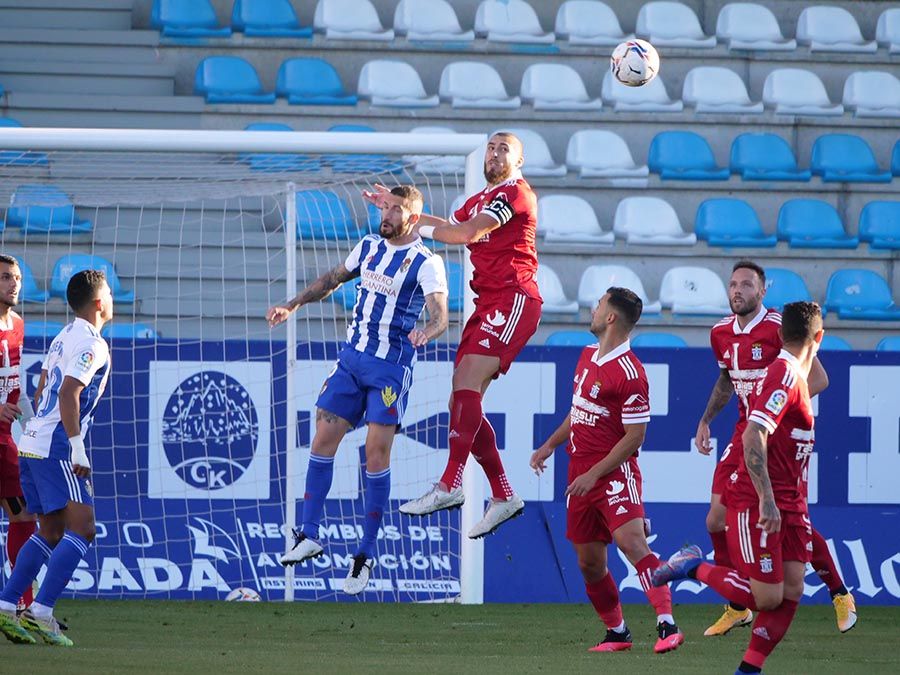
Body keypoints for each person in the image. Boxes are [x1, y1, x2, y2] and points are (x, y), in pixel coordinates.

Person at [268, 185, 449, 595]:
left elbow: (440, 314)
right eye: (385, 207)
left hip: (389, 369)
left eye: (396, 209)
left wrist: (428, 331)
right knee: (322, 437)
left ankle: (364, 554)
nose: (386, 214)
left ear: (413, 218)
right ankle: (309, 534)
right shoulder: (368, 246)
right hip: (351, 360)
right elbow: (332, 279)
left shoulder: (426, 262)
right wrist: (292, 304)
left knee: (374, 454)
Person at [378, 132, 542, 539]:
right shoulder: (478, 199)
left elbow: (466, 234)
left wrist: (421, 226)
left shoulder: (516, 194)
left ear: (519, 161)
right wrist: (402, 212)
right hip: (487, 302)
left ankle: (449, 483)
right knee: (460, 399)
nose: (494, 153)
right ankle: (503, 495)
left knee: (466, 383)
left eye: (504, 149)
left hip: (514, 297)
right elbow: (450, 225)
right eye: (491, 147)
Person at [654, 301, 825, 675]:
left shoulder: (793, 374)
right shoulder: (782, 375)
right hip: (764, 499)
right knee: (767, 597)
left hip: (793, 501)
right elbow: (753, 434)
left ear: (779, 334)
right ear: (820, 338)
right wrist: (767, 499)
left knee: (793, 590)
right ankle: (692, 566)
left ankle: (749, 669)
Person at [694, 260, 854, 636]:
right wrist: (705, 419)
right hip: (743, 433)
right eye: (733, 284)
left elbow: (818, 379)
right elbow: (726, 379)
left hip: (771, 436)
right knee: (716, 520)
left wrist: (777, 412)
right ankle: (738, 606)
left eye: (746, 285)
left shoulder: (778, 329)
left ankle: (838, 591)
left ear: (762, 291)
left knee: (789, 516)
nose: (738, 290)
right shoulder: (720, 332)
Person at [530, 288, 684, 654]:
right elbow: (579, 411)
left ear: (611, 317)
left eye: (599, 304)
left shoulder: (631, 374)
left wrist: (594, 474)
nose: (593, 308)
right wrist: (550, 444)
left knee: (632, 543)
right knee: (589, 562)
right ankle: (617, 632)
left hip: (613, 473)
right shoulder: (587, 355)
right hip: (579, 473)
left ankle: (667, 624)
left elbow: (635, 436)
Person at [0, 269, 113, 646]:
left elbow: (42, 385)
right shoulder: (93, 344)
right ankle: (41, 611)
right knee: (84, 527)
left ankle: (6, 604)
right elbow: (67, 393)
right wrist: (77, 446)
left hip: (34, 442)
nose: (112, 299)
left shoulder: (64, 335)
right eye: (109, 293)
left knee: (49, 530)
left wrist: (35, 429)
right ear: (99, 303)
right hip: (57, 446)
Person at [0, 255, 38, 615]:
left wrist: (32, 426)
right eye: (4, 278)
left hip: (4, 441)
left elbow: (14, 384)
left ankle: (20, 606)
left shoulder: (18, 325)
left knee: (24, 516)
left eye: (16, 277)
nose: (13, 284)